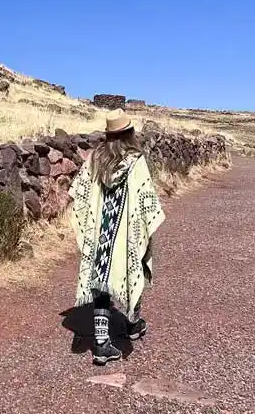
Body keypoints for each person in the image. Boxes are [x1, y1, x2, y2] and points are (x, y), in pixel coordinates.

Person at [68, 109, 166, 365]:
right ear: (129, 133)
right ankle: (132, 325)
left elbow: (79, 192)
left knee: (101, 280)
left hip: (101, 230)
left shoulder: (95, 159)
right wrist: (146, 224)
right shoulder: (136, 161)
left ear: (109, 135)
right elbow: (146, 200)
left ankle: (101, 342)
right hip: (127, 232)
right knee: (134, 266)